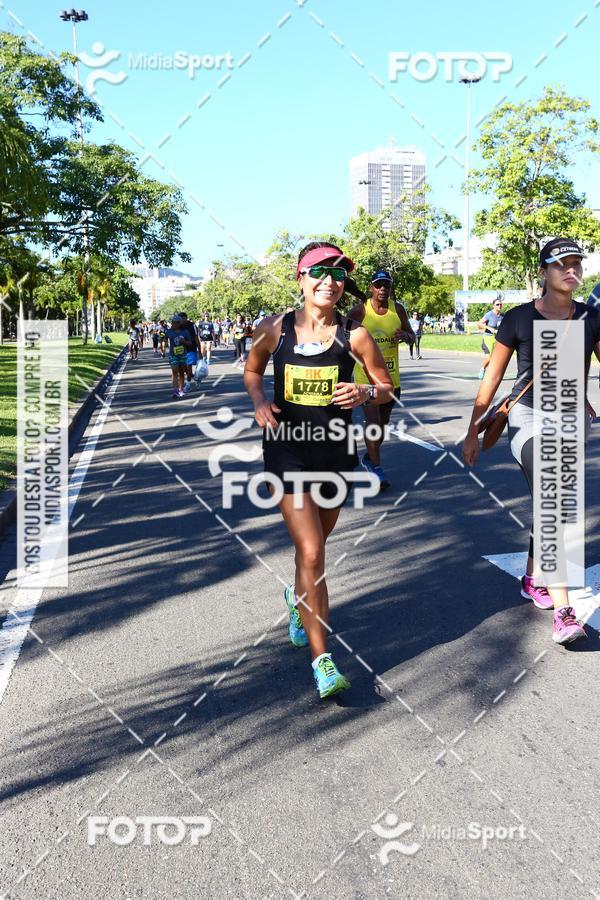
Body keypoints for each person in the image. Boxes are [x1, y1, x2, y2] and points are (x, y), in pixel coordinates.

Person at [243, 242, 393, 699]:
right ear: (300, 278)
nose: (330, 281)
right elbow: (252, 371)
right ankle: (322, 660)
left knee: (315, 550)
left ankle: (297, 602)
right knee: (311, 552)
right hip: (287, 453)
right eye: (319, 272)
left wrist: (366, 395)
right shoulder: (275, 329)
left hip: (335, 455)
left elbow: (387, 387)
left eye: (338, 274)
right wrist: (259, 402)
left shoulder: (357, 335)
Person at [463, 238, 600, 645]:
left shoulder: (590, 318)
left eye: (576, 263)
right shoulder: (519, 319)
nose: (570, 270)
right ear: (544, 271)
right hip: (529, 419)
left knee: (551, 504)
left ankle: (531, 577)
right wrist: (473, 429)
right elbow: (491, 380)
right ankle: (564, 612)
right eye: (561, 264)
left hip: (575, 422)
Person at [349, 270, 414, 490]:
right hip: (365, 379)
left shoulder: (398, 310)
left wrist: (406, 336)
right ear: (371, 288)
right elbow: (341, 334)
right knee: (373, 425)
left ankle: (369, 457)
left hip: (391, 380)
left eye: (386, 285)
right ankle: (377, 470)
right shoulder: (360, 311)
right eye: (378, 285)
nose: (382, 289)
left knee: (382, 428)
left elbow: (412, 335)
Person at [477, 294, 504, 379]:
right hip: (487, 338)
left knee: (497, 358)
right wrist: (489, 327)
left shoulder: (502, 316)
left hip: (497, 338)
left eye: (500, 304)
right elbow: (479, 324)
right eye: (497, 304)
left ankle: (493, 374)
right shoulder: (489, 314)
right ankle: (483, 369)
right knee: (489, 359)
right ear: (493, 306)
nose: (499, 306)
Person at [165, 314, 192, 398]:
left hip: (183, 355)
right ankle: (175, 390)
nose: (174, 324)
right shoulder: (169, 331)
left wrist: (184, 341)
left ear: (179, 323)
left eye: (176, 323)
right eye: (173, 322)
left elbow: (190, 343)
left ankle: (181, 389)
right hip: (173, 355)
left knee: (181, 373)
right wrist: (165, 343)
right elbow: (164, 339)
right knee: (174, 371)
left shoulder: (185, 332)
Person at [178, 311, 200, 393]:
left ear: (186, 318)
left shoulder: (192, 325)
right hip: (181, 350)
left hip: (191, 349)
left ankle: (188, 385)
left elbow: (196, 338)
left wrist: (200, 351)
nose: (181, 320)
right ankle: (195, 378)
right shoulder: (178, 326)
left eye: (182, 318)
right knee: (183, 369)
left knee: (188, 366)